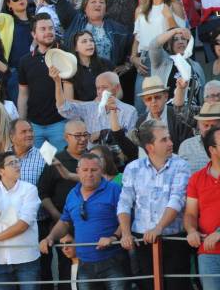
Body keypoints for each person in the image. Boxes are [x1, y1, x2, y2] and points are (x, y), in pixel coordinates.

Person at [117, 119, 191, 290]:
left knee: (177, 286)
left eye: (169, 138)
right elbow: (124, 202)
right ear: (150, 147)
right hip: (142, 241)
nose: (170, 143)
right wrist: (126, 233)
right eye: (164, 140)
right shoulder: (132, 168)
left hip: (174, 239)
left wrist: (159, 228)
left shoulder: (181, 165)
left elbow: (177, 199)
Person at [39, 153, 128, 290]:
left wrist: (113, 237)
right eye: (85, 170)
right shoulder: (72, 194)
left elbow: (127, 218)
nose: (89, 174)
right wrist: (50, 237)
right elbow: (65, 222)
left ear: (101, 171)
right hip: (84, 263)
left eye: (94, 170)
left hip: (113, 260)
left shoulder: (115, 190)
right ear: (78, 172)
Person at [0, 151, 42, 290]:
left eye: (18, 162)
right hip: (0, 259)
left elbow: (22, 226)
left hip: (26, 258)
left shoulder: (29, 189)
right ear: (1, 171)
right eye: (12, 163)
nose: (17, 165)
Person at [37, 120, 91, 290]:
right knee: (67, 274)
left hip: (91, 226)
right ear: (66, 137)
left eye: (85, 135)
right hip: (64, 226)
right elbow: (43, 193)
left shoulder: (93, 159)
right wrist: (57, 216)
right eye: (78, 136)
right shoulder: (56, 160)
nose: (82, 139)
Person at [17, 13, 67, 149]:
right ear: (34, 34)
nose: (48, 32)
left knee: (61, 167)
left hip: (60, 123)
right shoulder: (25, 61)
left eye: (51, 28)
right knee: (37, 167)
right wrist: (22, 123)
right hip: (34, 126)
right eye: (43, 29)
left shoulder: (66, 55)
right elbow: (23, 94)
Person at [55, 71, 138, 142]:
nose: (100, 91)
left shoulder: (129, 111)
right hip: (91, 156)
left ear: (116, 88)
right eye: (98, 88)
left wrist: (102, 133)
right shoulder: (89, 107)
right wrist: (58, 83)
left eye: (104, 87)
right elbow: (63, 108)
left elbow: (130, 139)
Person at [185, 124, 220, 289]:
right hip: (208, 252)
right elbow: (191, 213)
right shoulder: (196, 179)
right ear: (212, 150)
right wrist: (191, 230)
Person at [149, 28, 205, 110]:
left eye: (183, 39)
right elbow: (154, 45)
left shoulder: (196, 66)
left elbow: (202, 95)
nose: (180, 42)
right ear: (168, 45)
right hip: (167, 113)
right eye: (175, 39)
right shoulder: (162, 61)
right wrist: (176, 30)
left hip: (192, 114)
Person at [65, 31, 113, 101]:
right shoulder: (70, 70)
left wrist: (107, 101)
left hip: (108, 108)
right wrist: (92, 105)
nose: (90, 44)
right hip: (83, 111)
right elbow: (68, 100)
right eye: (84, 41)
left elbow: (119, 91)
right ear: (75, 48)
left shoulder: (106, 64)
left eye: (91, 40)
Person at [180, 103, 220, 173]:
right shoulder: (186, 146)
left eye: (213, 126)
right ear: (199, 125)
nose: (209, 129)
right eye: (206, 125)